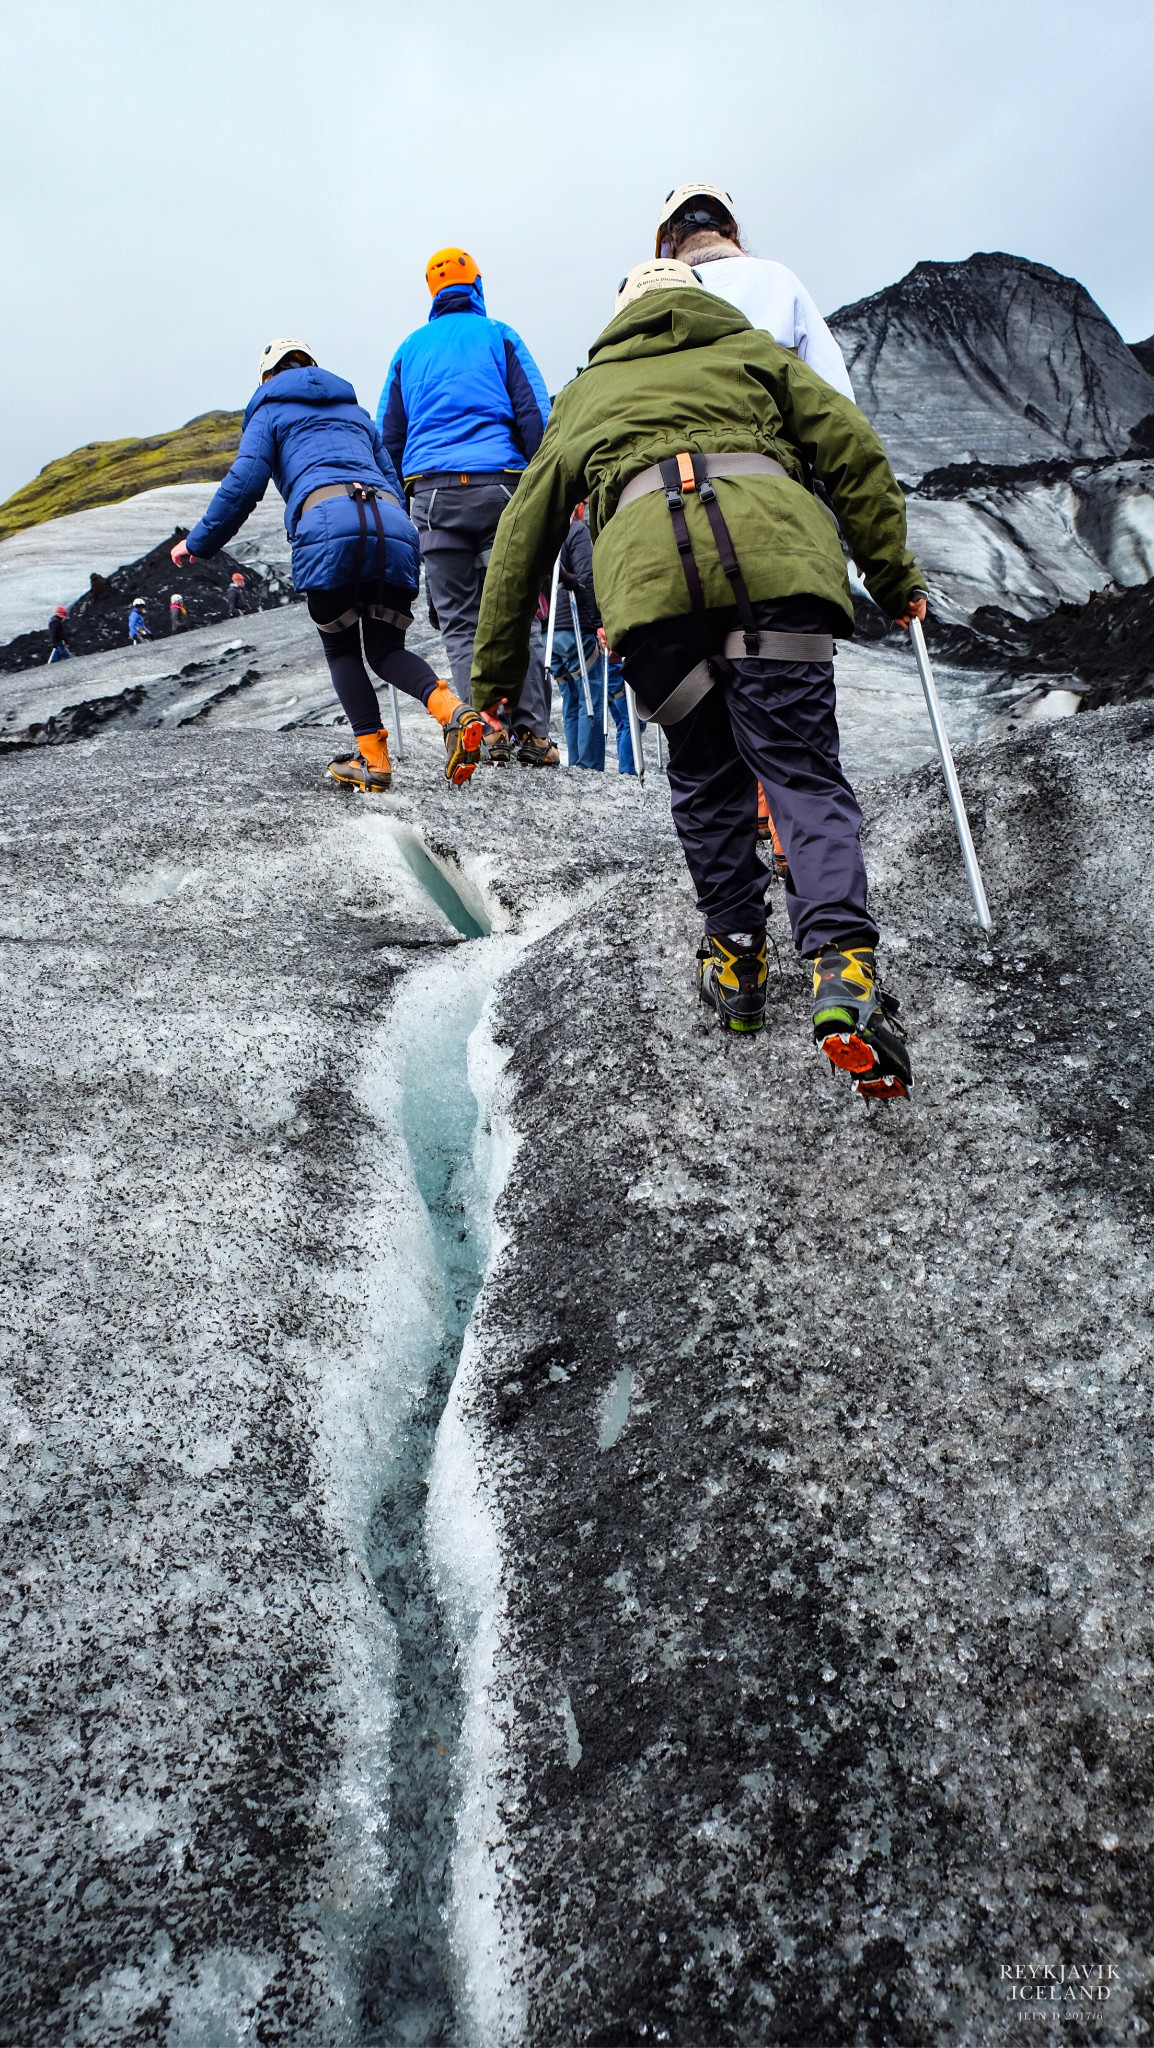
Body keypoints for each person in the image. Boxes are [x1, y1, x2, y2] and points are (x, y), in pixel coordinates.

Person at [470, 260, 928, 1101]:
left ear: (621, 315)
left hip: (651, 594)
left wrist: (494, 680)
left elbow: (519, 535)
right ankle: (842, 970)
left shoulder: (586, 392)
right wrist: (893, 577)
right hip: (775, 569)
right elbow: (852, 448)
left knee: (707, 779)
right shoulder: (750, 351)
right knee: (799, 772)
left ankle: (738, 962)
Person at [170, 337, 483, 792]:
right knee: (386, 650)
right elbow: (393, 481)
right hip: (390, 526)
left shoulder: (270, 411)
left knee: (341, 647)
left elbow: (243, 484)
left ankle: (373, 762)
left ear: (267, 377)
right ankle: (452, 712)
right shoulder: (355, 415)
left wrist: (197, 543)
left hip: (327, 527)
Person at [375, 248, 555, 765]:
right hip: (499, 487)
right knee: (517, 614)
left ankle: (487, 730)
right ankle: (533, 734)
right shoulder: (501, 335)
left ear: (434, 294)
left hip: (431, 495)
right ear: (476, 286)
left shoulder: (408, 351)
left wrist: (402, 499)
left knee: (459, 623)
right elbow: (535, 417)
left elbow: (389, 438)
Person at [654, 183, 854, 399]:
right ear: (731, 232)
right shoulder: (777, 278)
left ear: (666, 244)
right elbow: (833, 386)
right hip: (773, 428)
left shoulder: (656, 298)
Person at [550, 505, 605, 769]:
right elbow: (587, 579)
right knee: (590, 696)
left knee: (570, 698)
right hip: (575, 626)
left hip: (550, 631)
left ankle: (575, 764)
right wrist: (598, 623)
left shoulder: (545, 534)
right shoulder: (577, 531)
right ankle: (589, 766)